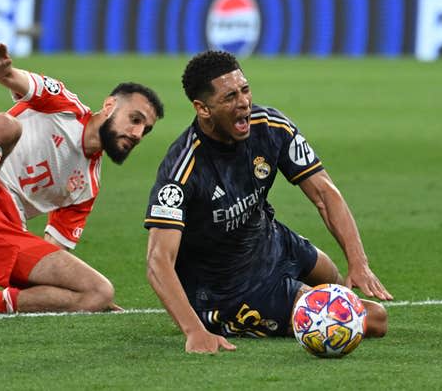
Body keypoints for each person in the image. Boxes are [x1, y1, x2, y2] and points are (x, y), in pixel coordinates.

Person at [144, 50, 392, 353]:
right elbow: (158, 260)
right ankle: (270, 312)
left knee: (331, 277)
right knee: (375, 319)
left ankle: (305, 299)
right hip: (231, 289)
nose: (244, 102)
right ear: (203, 108)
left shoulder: (271, 127)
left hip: (272, 242)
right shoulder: (183, 169)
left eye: (245, 90)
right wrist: (194, 330)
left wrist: (358, 262)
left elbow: (325, 194)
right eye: (230, 97)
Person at [0, 42, 164, 316]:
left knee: (99, 291)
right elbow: (5, 75)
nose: (137, 133)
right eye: (135, 119)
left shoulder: (87, 186)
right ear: (109, 106)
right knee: (6, 126)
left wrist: (85, 296)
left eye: (145, 130)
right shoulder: (63, 104)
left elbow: (48, 255)